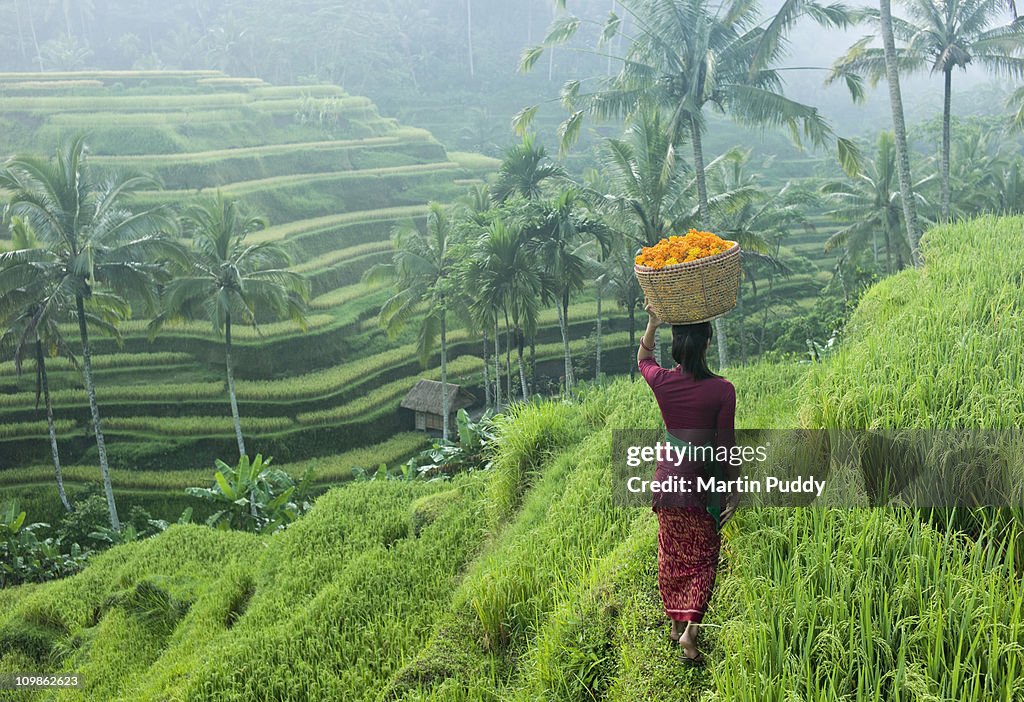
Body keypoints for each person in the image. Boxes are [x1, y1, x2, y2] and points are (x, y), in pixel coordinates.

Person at [636, 300, 739, 667]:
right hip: (700, 489)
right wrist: (734, 491)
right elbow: (726, 448)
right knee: (705, 558)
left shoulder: (663, 382)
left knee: (672, 555)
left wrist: (653, 321)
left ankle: (676, 621)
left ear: (677, 348)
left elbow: (643, 360)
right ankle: (690, 634)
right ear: (708, 343)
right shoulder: (723, 391)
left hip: (667, 486)